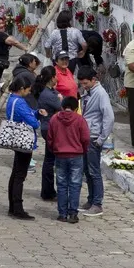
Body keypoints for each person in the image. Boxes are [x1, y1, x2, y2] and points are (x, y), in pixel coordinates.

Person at [47, 95, 90, 223]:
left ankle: (62, 213)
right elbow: (86, 138)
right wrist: (83, 149)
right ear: (76, 108)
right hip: (76, 155)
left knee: (61, 184)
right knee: (75, 184)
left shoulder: (54, 119)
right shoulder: (80, 120)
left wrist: (54, 148)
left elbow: (50, 138)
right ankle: (73, 213)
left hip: (60, 155)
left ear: (62, 106)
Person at [79, 65, 114, 216]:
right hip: (86, 136)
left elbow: (109, 117)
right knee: (87, 171)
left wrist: (101, 139)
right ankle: (91, 199)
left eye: (86, 83)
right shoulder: (89, 92)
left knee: (94, 171)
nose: (84, 86)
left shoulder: (100, 94)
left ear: (94, 80)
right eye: (82, 83)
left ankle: (97, 203)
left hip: (94, 138)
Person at [6, 79, 43, 220]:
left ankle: (12, 206)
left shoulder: (12, 99)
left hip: (16, 140)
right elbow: (32, 122)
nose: (28, 93)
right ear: (21, 88)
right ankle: (18, 208)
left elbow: (29, 113)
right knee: (20, 175)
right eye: (27, 90)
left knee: (15, 173)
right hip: (24, 142)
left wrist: (37, 112)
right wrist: (37, 119)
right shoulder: (20, 102)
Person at [0, 14, 28, 116]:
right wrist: (25, 48)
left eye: (2, 23)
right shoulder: (1, 35)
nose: (2, 25)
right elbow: (13, 41)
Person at [31, 65, 61, 202]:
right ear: (52, 78)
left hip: (47, 127)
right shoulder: (48, 95)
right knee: (50, 161)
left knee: (50, 159)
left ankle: (48, 190)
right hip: (50, 128)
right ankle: (48, 191)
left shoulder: (48, 91)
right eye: (56, 76)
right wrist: (60, 98)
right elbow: (63, 106)